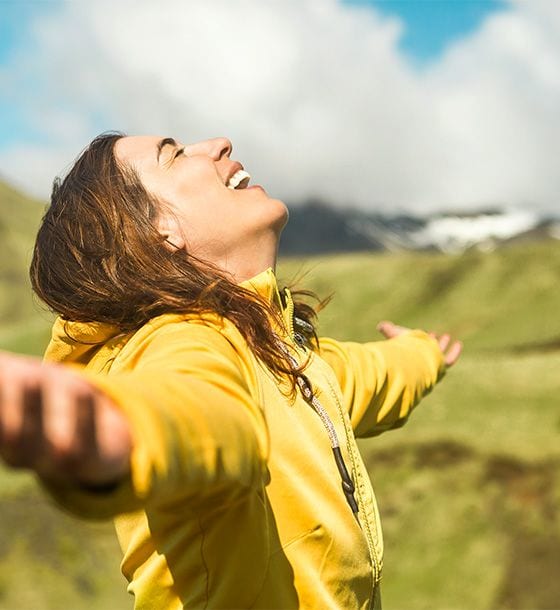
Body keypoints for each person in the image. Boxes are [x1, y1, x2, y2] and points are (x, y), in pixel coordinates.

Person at [0, 133, 462, 609]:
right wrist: (107, 429)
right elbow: (197, 410)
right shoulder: (185, 339)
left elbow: (362, 376)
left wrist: (423, 353)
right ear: (158, 231)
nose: (218, 144)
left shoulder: (278, 355)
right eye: (173, 155)